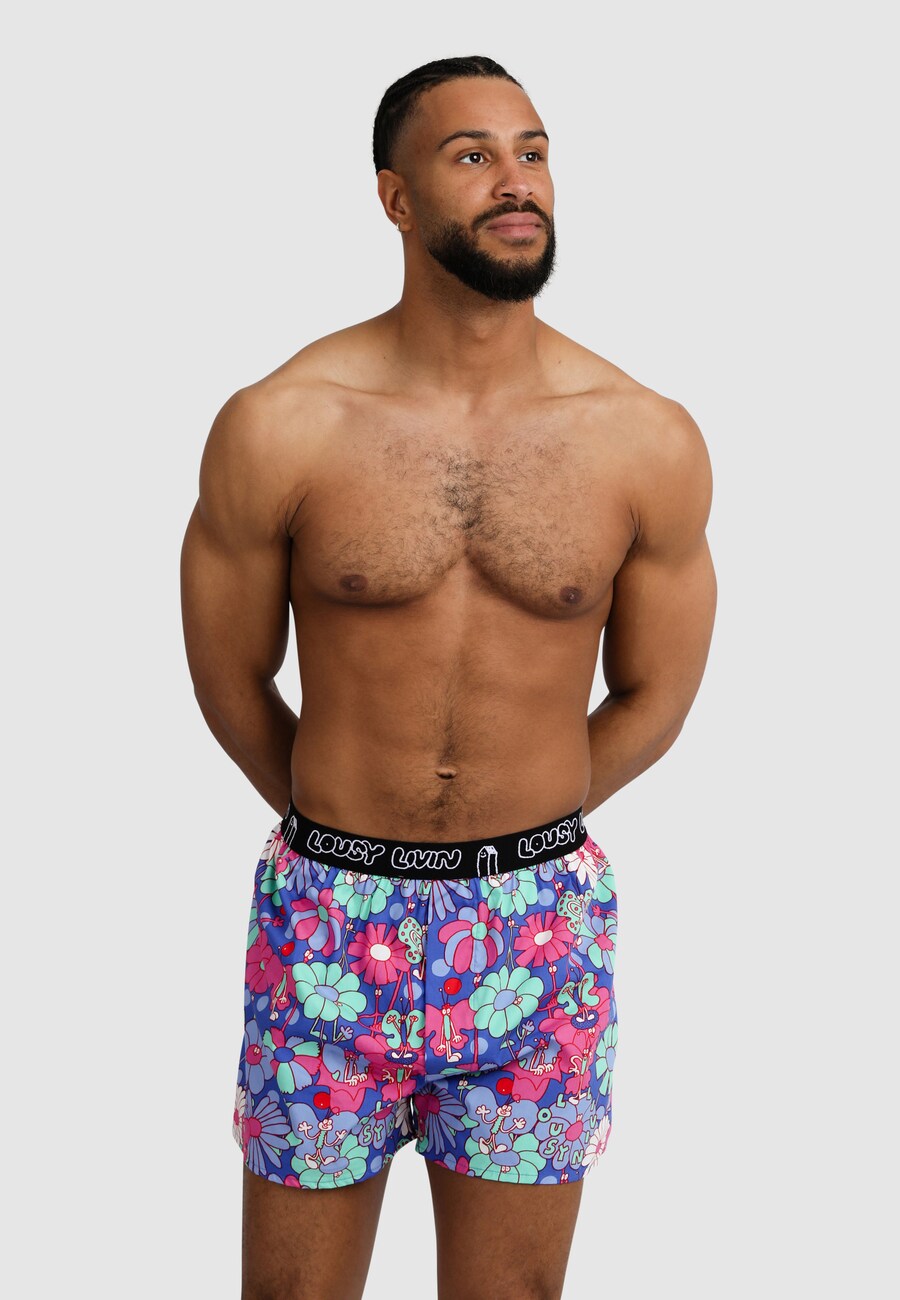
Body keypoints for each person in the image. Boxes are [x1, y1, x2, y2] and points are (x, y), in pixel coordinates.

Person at [180, 53, 717, 1300]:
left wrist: (521, 817)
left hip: (537, 922)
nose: (515, 181)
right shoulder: (283, 423)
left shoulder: (645, 438)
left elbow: (656, 693)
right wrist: (345, 820)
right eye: (472, 156)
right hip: (329, 915)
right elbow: (229, 677)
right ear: (395, 197)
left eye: (532, 152)